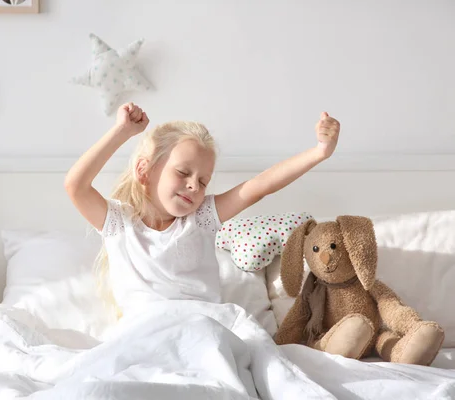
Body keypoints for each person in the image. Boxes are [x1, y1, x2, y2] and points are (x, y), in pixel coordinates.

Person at [64, 102, 340, 317]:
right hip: (146, 330)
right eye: (183, 172)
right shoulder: (119, 224)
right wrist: (122, 132)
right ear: (143, 170)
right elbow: (75, 186)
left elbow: (260, 186)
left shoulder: (201, 218)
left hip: (201, 324)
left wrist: (319, 152)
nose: (194, 186)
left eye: (203, 181)